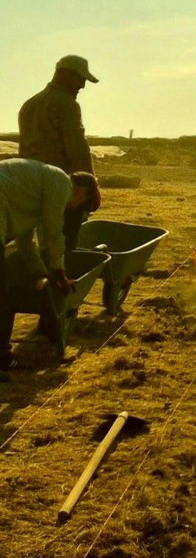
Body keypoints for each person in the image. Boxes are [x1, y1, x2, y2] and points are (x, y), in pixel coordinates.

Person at [1, 159, 101, 370]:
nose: (77, 208)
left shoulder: (36, 191)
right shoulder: (61, 183)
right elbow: (53, 234)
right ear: (81, 189)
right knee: (2, 293)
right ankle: (2, 358)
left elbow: (26, 243)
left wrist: (43, 273)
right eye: (84, 203)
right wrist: (59, 273)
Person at [19, 54, 99, 255]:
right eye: (80, 78)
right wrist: (91, 187)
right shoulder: (66, 105)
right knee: (64, 248)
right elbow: (78, 151)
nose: (82, 86)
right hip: (60, 188)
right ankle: (60, 281)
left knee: (45, 243)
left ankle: (41, 278)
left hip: (30, 187)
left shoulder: (29, 104)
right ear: (64, 74)